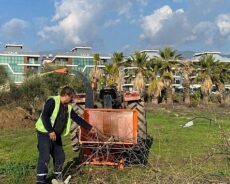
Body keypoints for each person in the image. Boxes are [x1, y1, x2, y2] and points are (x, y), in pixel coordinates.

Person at [35, 86, 95, 184]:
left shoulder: (68, 107)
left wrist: (89, 128)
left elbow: (76, 118)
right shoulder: (52, 101)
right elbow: (45, 116)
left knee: (60, 156)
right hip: (44, 133)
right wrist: (50, 131)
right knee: (45, 156)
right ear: (66, 96)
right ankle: (41, 181)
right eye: (71, 97)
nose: (72, 99)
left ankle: (58, 178)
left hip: (56, 135)